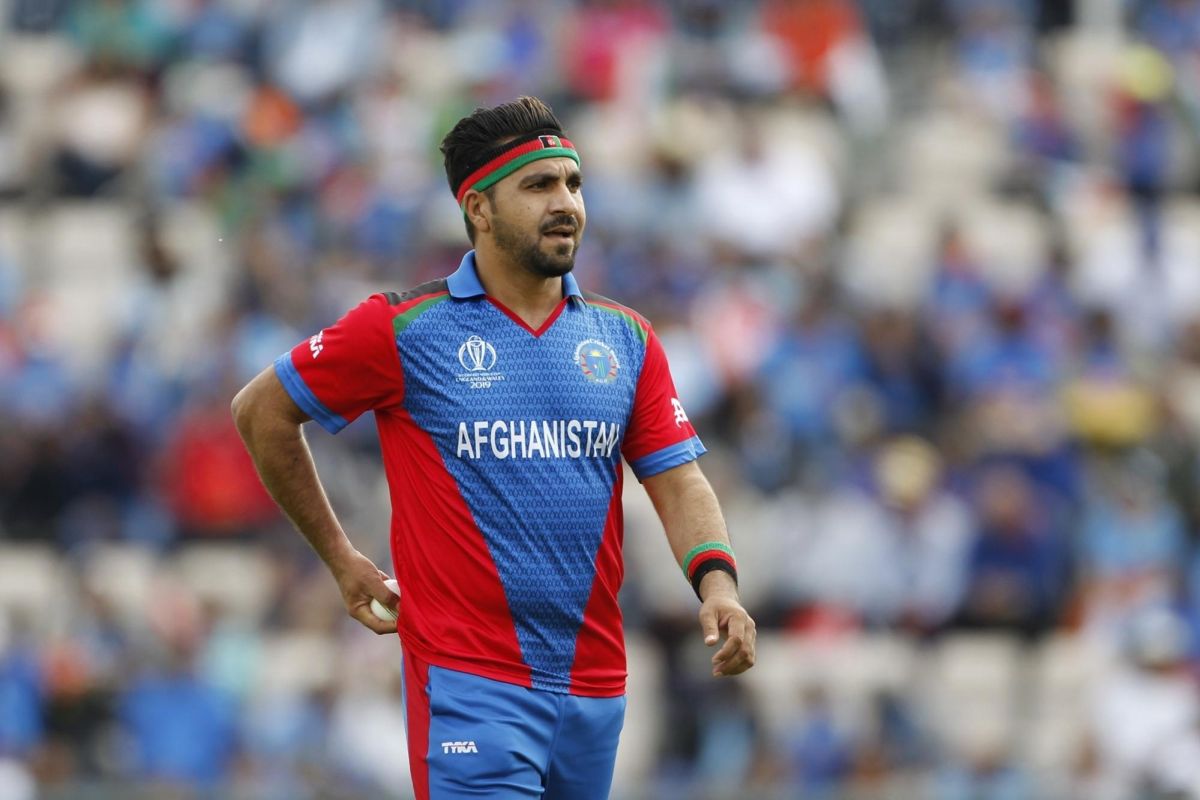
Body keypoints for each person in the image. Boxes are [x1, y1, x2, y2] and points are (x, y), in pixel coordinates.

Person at [231, 96, 755, 799]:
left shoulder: (625, 338)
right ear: (478, 208)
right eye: (538, 186)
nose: (565, 202)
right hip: (469, 681)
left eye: (573, 183)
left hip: (595, 686)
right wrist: (341, 558)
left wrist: (719, 588)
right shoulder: (404, 329)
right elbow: (261, 411)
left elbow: (679, 481)